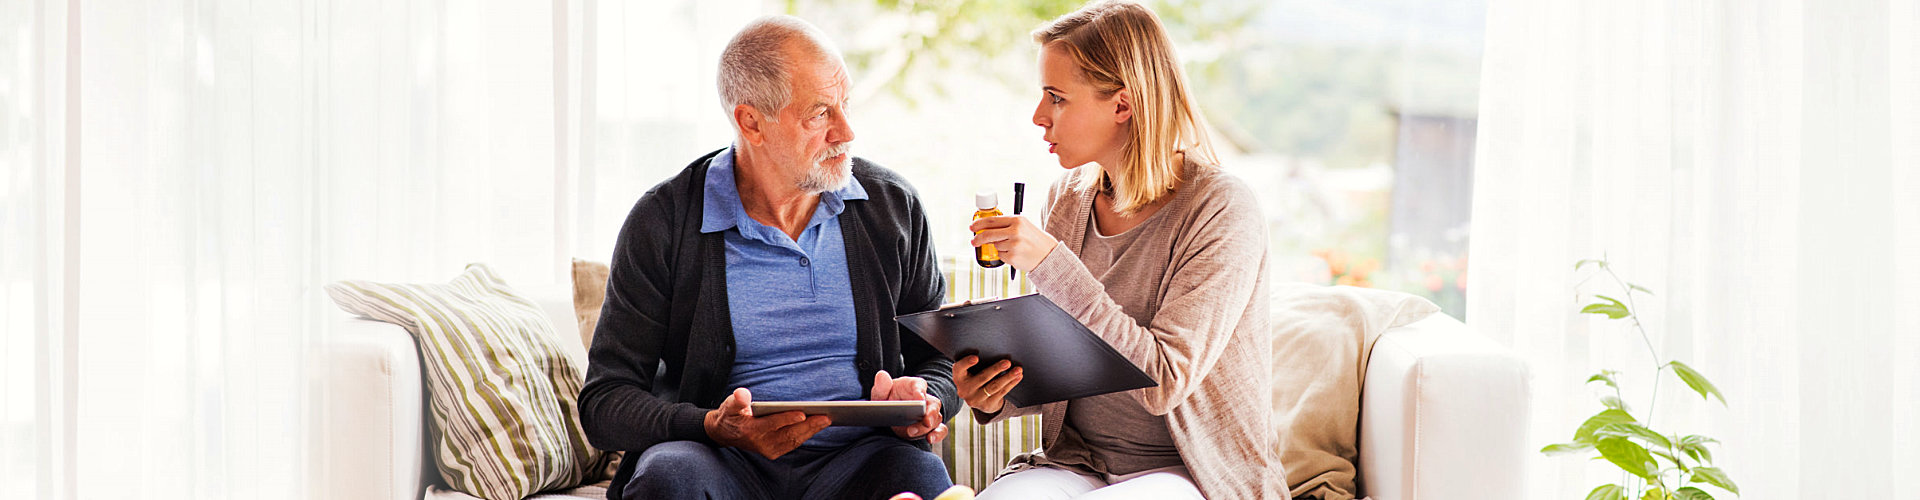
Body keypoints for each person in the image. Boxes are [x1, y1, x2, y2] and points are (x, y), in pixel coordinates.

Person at [577, 15, 958, 500]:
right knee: (668, 477)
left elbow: (940, 362)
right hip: (721, 461)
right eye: (820, 113)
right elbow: (605, 403)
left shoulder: (892, 206)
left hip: (862, 459)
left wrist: (925, 399)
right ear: (751, 122)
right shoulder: (663, 220)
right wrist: (711, 425)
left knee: (921, 480)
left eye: (845, 105)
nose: (846, 131)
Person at [961, 1, 1285, 498]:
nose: (1038, 116)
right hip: (1076, 462)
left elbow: (1163, 382)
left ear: (1122, 105)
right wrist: (993, 394)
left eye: (1057, 97)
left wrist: (1052, 264)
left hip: (1191, 472)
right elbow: (1066, 358)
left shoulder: (1221, 208)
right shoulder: (1066, 198)